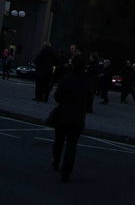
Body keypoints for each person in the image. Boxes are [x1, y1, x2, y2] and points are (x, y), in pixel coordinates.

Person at [50, 55, 93, 183]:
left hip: (63, 113)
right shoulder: (87, 81)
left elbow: (57, 96)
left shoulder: (67, 78)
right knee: (72, 144)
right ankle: (66, 171)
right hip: (78, 116)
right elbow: (90, 100)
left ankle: (56, 161)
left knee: (59, 140)